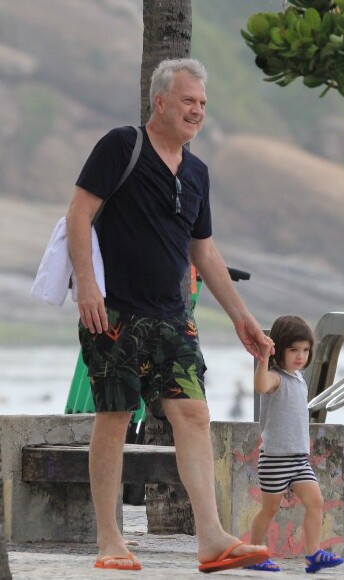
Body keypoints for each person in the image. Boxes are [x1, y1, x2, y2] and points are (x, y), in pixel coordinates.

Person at [66, 58, 272, 573]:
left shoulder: (198, 172)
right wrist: (87, 286)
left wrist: (241, 317)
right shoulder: (122, 146)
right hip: (114, 312)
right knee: (114, 418)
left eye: (202, 103)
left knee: (194, 415)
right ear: (160, 102)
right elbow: (78, 213)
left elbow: (204, 253)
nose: (197, 111)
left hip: (173, 316)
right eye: (188, 101)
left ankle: (211, 538)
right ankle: (110, 540)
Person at [245, 315, 344, 574]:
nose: (300, 356)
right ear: (279, 350)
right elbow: (260, 385)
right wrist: (264, 358)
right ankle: (255, 553)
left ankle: (313, 554)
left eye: (305, 350)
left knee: (316, 501)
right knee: (269, 509)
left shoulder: (299, 378)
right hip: (275, 460)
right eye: (293, 350)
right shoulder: (275, 377)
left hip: (299, 459)